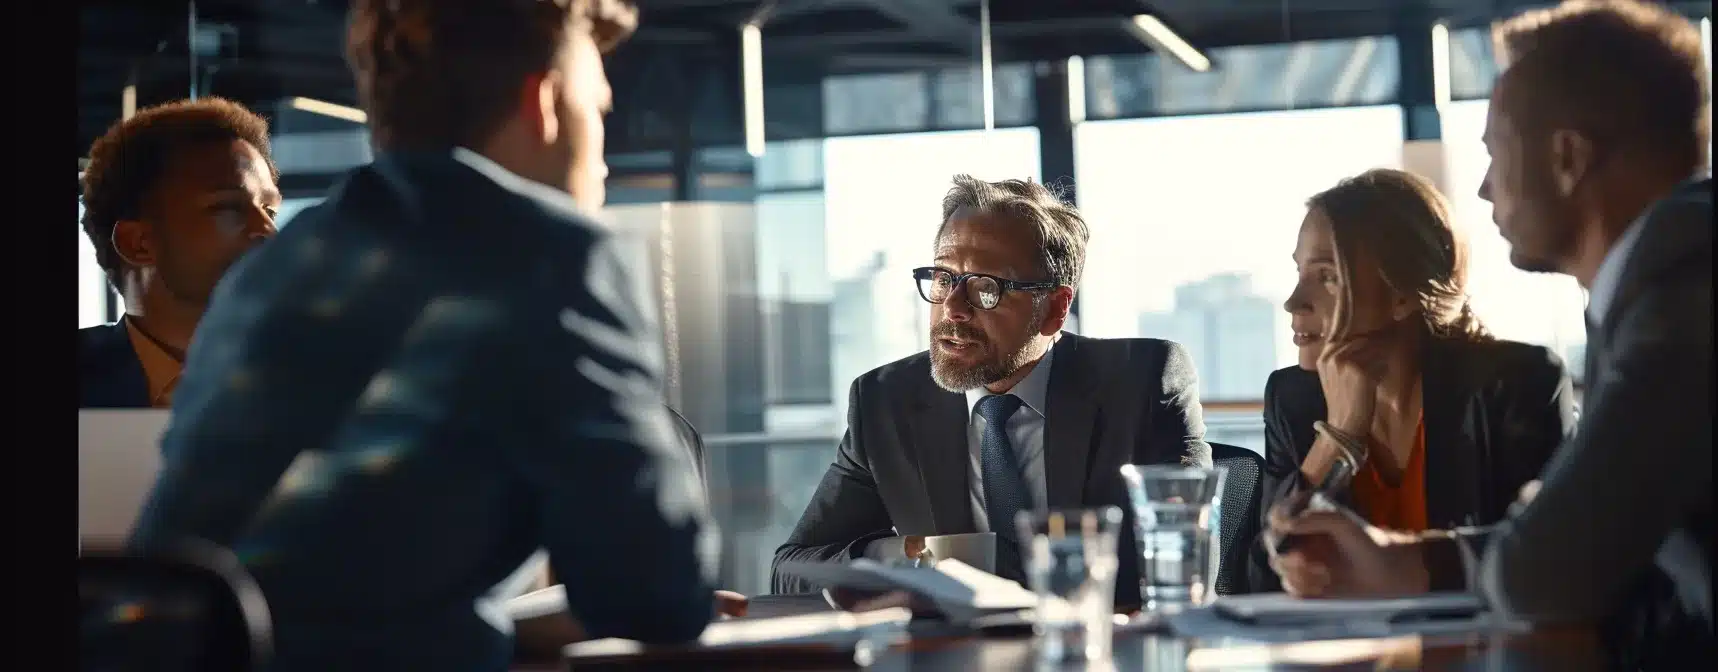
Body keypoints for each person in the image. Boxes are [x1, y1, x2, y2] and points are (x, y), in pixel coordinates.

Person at [127, 1, 720, 669]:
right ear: (547, 103)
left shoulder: (279, 266)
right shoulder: (556, 255)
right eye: (600, 110)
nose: (605, 156)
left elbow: (322, 591)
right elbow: (655, 596)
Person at [1267, 0, 1710, 666]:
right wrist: (1406, 560)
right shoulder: (1656, 285)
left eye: (1496, 152)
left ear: (1567, 157)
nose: (1481, 188)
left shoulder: (1682, 291)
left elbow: (1546, 570)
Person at [771, 175, 1211, 609]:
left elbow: (1179, 563)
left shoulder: (1143, 382)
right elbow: (791, 569)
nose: (953, 308)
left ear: (1055, 309)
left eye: (986, 288)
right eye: (944, 278)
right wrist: (912, 557)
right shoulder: (885, 402)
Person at [1248, 168, 1575, 594]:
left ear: (1402, 294)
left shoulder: (1514, 386)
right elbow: (1261, 580)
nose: (1294, 302)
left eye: (1327, 276)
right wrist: (1337, 438)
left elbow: (1547, 565)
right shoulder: (1293, 399)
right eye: (1299, 273)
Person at [78, 97, 281, 408]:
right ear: (139, 243)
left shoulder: (335, 379)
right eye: (227, 207)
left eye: (269, 210)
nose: (269, 231)